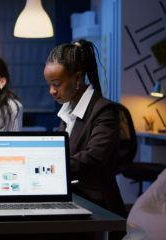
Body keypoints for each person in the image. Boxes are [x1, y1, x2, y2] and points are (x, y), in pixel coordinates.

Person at [44, 40, 125, 217]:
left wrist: (46, 166)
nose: (51, 90)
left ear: (78, 78)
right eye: (49, 84)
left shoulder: (105, 111)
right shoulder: (68, 110)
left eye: (56, 84)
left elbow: (93, 158)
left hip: (98, 205)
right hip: (73, 197)